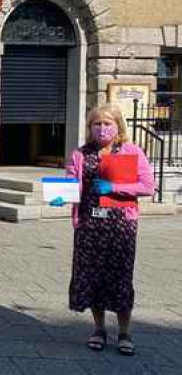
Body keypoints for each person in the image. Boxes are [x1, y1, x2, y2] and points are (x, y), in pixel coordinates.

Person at [50, 105, 154, 355]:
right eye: (97, 124)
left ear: (118, 126)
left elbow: (148, 186)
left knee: (120, 277)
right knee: (93, 277)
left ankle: (125, 332)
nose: (102, 128)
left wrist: (115, 187)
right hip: (89, 224)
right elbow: (71, 182)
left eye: (107, 123)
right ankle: (99, 328)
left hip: (120, 225)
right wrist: (60, 196)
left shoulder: (132, 152)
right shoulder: (81, 154)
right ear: (90, 128)